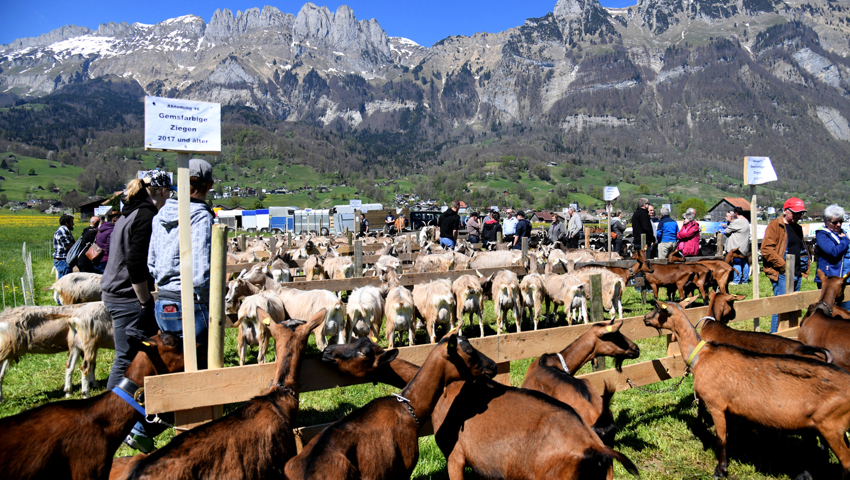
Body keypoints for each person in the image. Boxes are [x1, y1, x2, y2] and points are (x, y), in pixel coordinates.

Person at [101, 170, 173, 453]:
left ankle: (128, 414)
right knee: (126, 357)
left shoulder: (129, 212)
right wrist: (145, 302)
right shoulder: (145, 215)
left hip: (115, 292)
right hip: (126, 295)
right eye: (168, 194)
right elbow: (135, 262)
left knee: (131, 354)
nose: (169, 199)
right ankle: (110, 416)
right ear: (161, 192)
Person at [148, 159, 215, 349]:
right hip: (191, 303)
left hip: (163, 301)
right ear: (209, 185)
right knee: (198, 367)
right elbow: (201, 271)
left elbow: (151, 263)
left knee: (173, 364)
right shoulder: (201, 217)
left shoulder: (160, 215)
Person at [761, 197, 810, 333]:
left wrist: (803, 266)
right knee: (780, 307)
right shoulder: (775, 226)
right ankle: (775, 337)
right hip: (782, 273)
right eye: (794, 213)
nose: (798, 216)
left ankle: (792, 334)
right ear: (785, 211)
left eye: (800, 213)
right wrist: (783, 267)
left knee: (794, 306)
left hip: (796, 272)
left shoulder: (798, 228)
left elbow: (801, 248)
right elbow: (766, 249)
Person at [815, 205, 850, 297]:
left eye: (840, 221)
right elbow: (833, 252)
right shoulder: (822, 235)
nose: (839, 224)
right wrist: (845, 240)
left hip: (844, 277)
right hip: (829, 278)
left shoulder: (843, 233)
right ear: (826, 221)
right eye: (835, 222)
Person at [724, 206, 751, 284]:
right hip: (744, 246)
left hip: (737, 246)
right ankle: (745, 280)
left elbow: (727, 231)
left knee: (737, 262)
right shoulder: (746, 221)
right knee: (744, 263)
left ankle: (736, 280)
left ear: (736, 213)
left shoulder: (737, 222)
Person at [52, 214, 75, 279]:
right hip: (62, 260)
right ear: (66, 223)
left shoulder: (65, 230)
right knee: (65, 282)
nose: (73, 224)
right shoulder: (63, 230)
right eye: (71, 222)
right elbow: (67, 245)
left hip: (63, 259)